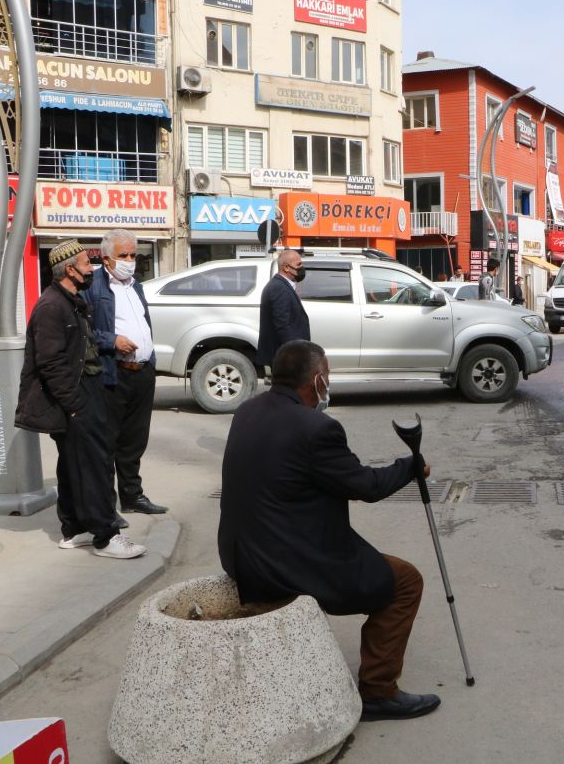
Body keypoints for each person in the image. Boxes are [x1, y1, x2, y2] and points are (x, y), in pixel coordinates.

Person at [218, 340, 440, 721]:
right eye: (328, 376)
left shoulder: (247, 409)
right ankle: (378, 692)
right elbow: (365, 487)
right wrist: (410, 466)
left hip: (239, 553)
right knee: (406, 582)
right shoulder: (318, 428)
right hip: (286, 561)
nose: (329, 384)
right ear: (317, 379)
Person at [15, 238, 146, 560]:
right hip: (75, 398)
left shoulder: (72, 301)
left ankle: (75, 530)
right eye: (87, 264)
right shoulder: (51, 307)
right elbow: (50, 363)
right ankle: (106, 535)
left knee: (74, 466)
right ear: (70, 270)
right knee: (94, 466)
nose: (93, 268)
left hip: (86, 391)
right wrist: (74, 406)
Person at [88, 229, 168, 520]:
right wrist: (112, 341)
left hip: (142, 373)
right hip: (113, 373)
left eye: (134, 255)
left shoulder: (136, 287)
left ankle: (132, 496)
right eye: (124, 255)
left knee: (135, 440)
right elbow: (84, 333)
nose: (130, 261)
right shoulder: (93, 287)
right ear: (107, 258)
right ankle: (107, 507)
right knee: (108, 442)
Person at [257, 249, 310, 370]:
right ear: (286, 267)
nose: (302, 268)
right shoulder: (278, 288)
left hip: (286, 355)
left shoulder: (281, 285)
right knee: (289, 388)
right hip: (286, 357)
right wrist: (295, 355)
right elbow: (283, 325)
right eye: (298, 265)